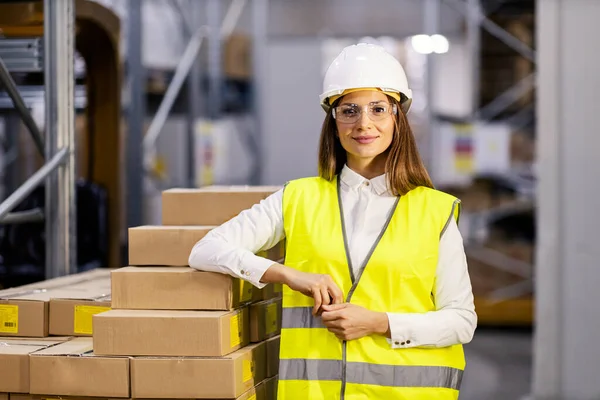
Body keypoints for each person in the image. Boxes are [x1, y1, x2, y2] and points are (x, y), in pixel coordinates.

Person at [189, 42, 477, 400]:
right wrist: (288, 274)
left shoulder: (436, 211)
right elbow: (206, 249)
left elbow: (462, 321)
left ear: (397, 117)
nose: (363, 123)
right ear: (334, 120)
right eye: (349, 110)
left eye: (378, 109)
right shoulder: (297, 198)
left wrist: (379, 322)